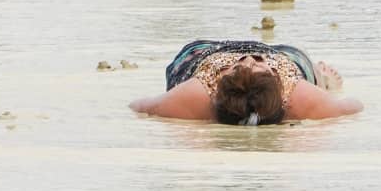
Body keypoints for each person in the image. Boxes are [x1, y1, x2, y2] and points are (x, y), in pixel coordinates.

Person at [129, 40, 363, 124]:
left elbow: (139, 105)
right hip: (283, 58)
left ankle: (321, 80)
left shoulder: (195, 96)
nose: (249, 57)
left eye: (242, 66)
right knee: (301, 64)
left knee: (188, 52)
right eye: (254, 65)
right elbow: (353, 106)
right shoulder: (298, 96)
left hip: (205, 52)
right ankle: (320, 80)